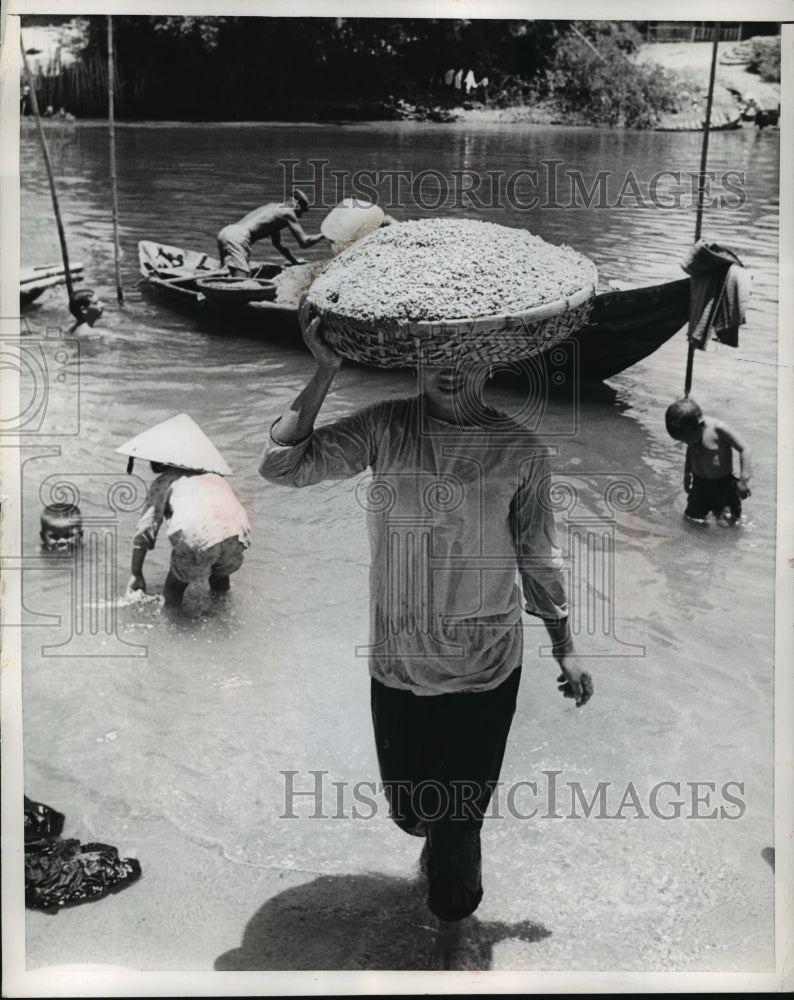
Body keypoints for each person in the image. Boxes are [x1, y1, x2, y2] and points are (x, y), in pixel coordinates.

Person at [259, 302, 593, 968]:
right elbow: (283, 465)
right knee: (412, 811)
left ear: (491, 361)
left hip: (486, 664)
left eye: (468, 354)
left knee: (458, 815)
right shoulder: (386, 428)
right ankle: (434, 845)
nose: (450, 369)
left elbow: (539, 554)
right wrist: (325, 367)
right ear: (416, 359)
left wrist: (565, 646)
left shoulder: (521, 451)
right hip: (400, 661)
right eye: (436, 354)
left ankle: (453, 930)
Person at [117, 414, 252, 608]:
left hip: (198, 535)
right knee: (220, 579)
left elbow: (145, 530)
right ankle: (223, 620)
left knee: (173, 588)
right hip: (237, 533)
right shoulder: (214, 476)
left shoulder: (165, 481)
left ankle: (169, 630)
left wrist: (136, 573)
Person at [665, 397, 752, 523]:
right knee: (691, 520)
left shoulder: (718, 429)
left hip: (724, 486)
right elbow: (691, 451)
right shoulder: (692, 432)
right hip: (699, 485)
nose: (688, 443)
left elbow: (745, 449)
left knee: (727, 523)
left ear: (700, 425)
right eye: (684, 441)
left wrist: (744, 481)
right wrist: (687, 472)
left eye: (689, 439)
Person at [216, 189, 326, 275]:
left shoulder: (272, 207)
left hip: (227, 232)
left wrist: (294, 262)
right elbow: (304, 242)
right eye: (301, 211)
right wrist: (325, 234)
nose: (300, 216)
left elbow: (278, 244)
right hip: (239, 238)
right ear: (296, 202)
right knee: (240, 283)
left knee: (226, 274)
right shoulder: (288, 211)